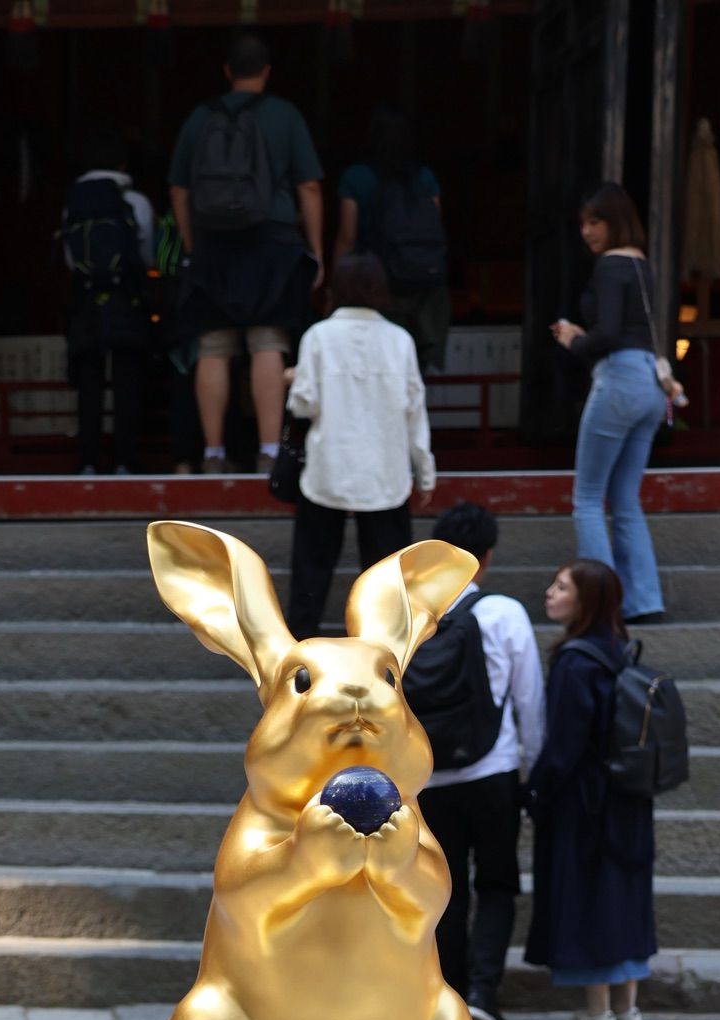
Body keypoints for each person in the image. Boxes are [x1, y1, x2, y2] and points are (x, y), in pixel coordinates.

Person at [407, 503, 545, 1020]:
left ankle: (450, 998)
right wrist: (534, 768)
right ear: (485, 557)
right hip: (494, 769)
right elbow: (530, 697)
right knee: (496, 882)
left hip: (429, 776)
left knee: (446, 888)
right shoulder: (503, 612)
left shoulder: (412, 617)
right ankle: (485, 994)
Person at [168, 33, 324, 474]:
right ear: (267, 71)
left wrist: (193, 243)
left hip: (214, 241)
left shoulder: (200, 118)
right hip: (272, 241)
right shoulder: (284, 115)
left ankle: (213, 453)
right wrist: (314, 248)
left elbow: (178, 189)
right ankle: (269, 451)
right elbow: (309, 186)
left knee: (213, 345)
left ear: (226, 70)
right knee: (267, 341)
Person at [524, 558, 656, 1020]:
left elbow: (564, 745)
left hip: (585, 801)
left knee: (591, 893)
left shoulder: (575, 662)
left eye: (561, 587)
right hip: (629, 796)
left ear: (585, 602)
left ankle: (596, 1015)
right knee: (626, 893)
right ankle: (629, 1011)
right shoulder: (622, 650)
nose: (550, 593)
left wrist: (536, 791)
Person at [284, 253, 435, 640]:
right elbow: (414, 409)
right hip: (384, 471)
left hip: (328, 467)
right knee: (386, 577)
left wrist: (295, 378)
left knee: (312, 570)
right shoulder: (399, 340)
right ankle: (386, 663)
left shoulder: (317, 337)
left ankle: (300, 660)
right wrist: (425, 471)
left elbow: (305, 404)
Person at [551, 182, 669, 624]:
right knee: (626, 498)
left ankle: (601, 606)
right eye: (583, 223)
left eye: (595, 222)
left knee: (587, 497)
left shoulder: (608, 266)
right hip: (650, 383)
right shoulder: (643, 265)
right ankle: (645, 600)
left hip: (618, 379)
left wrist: (573, 339)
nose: (586, 231)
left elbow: (609, 333)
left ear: (615, 221)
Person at [62, 132, 156, 474]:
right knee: (127, 379)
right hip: (125, 296)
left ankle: (87, 460)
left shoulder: (74, 201)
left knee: (89, 380)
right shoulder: (135, 202)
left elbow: (70, 258)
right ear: (123, 163)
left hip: (85, 299)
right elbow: (146, 252)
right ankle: (124, 460)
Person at [332, 104, 450, 373]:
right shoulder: (425, 177)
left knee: (371, 364)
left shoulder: (357, 177)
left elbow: (347, 237)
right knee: (412, 364)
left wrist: (338, 285)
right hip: (421, 284)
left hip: (374, 283)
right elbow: (435, 228)